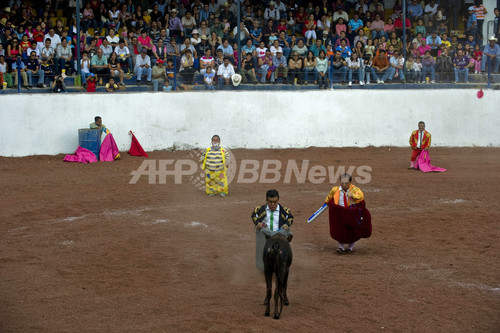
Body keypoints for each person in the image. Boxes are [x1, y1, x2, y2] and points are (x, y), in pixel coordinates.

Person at [324, 174, 371, 254]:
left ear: (350, 182)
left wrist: (352, 195)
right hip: (340, 213)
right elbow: (329, 197)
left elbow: (360, 196)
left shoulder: (355, 190)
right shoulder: (335, 190)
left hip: (351, 213)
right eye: (342, 183)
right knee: (339, 229)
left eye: (346, 183)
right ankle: (341, 247)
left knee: (354, 229)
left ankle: (350, 248)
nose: (344, 185)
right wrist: (327, 202)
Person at [251, 189, 293, 271]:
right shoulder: (260, 209)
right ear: (266, 200)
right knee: (260, 232)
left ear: (278, 200)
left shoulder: (285, 211)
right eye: (270, 202)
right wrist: (257, 223)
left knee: (288, 230)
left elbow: (290, 218)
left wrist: (286, 224)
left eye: (275, 202)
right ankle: (262, 267)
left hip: (279, 233)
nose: (273, 204)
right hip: (266, 234)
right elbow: (254, 216)